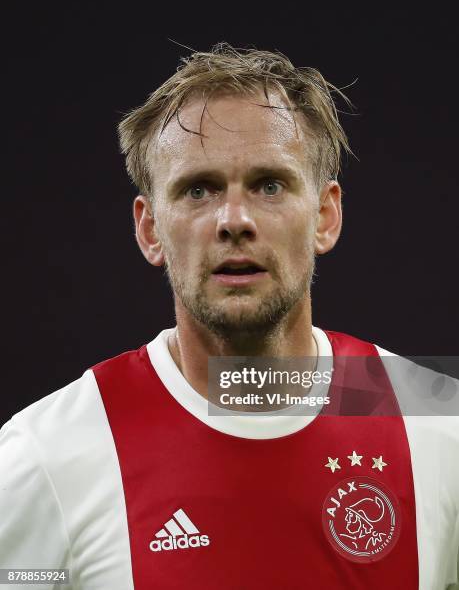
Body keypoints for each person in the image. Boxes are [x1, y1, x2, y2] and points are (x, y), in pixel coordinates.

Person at [0, 43, 458, 590]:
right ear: (150, 229)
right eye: (199, 190)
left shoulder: (438, 425)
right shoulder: (46, 458)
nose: (234, 219)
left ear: (325, 215)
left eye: (270, 185)